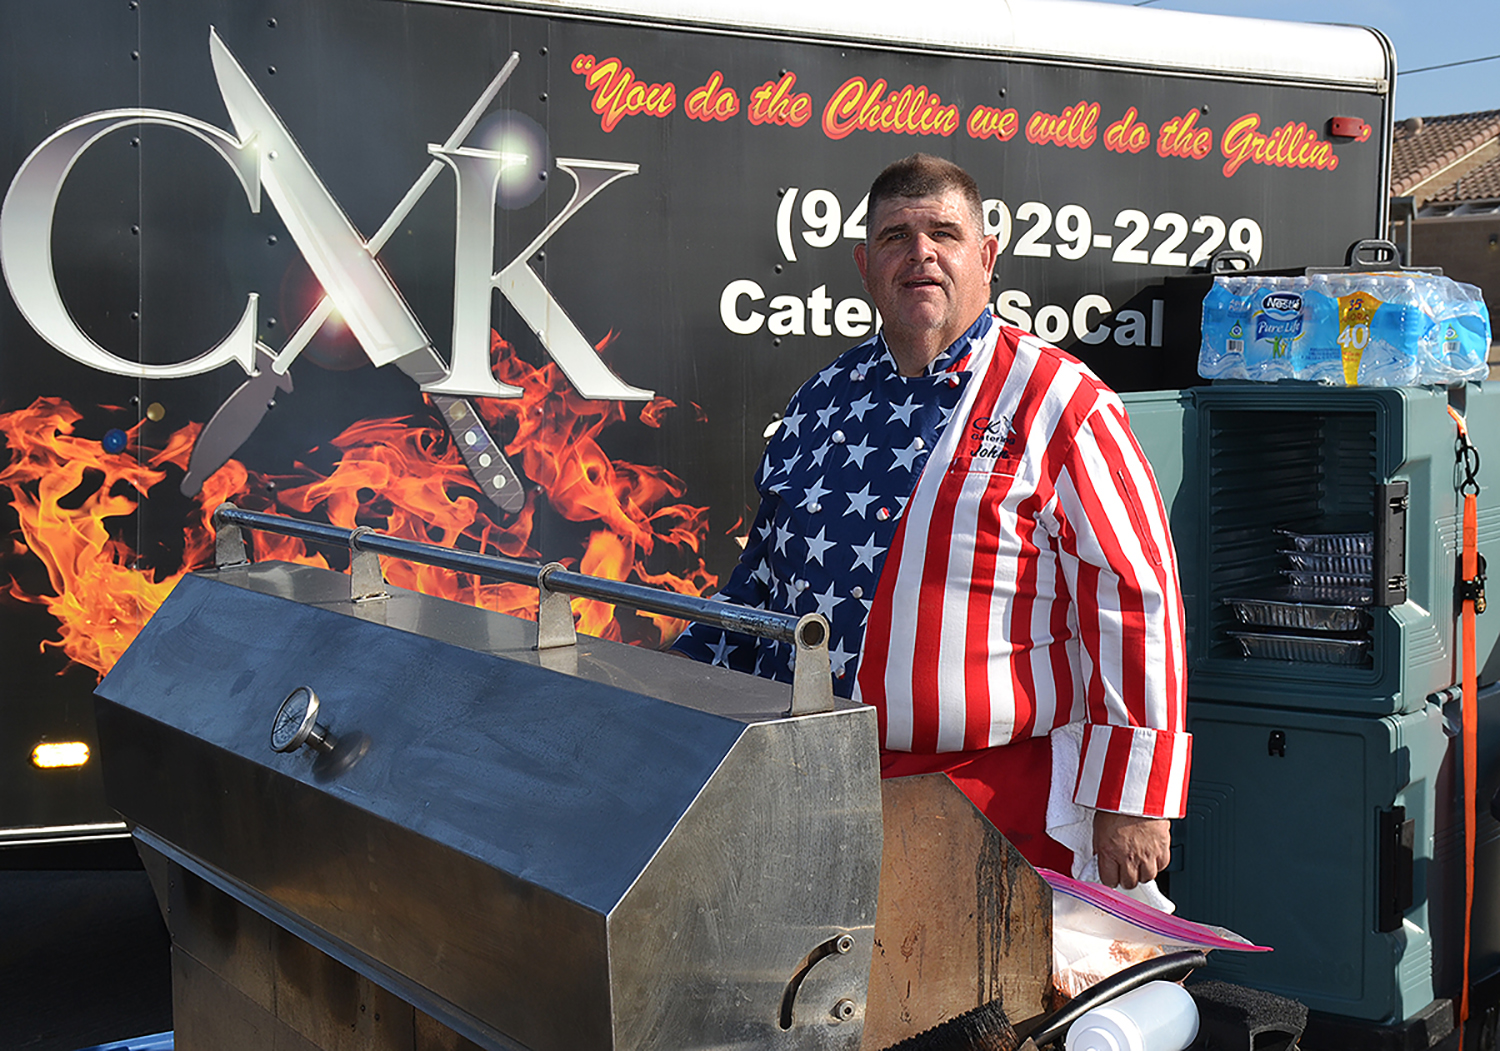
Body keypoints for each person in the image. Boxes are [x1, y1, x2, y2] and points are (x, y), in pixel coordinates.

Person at [674, 154, 1189, 889]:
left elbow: (1135, 596)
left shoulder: (1061, 400)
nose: (920, 253)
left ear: (986, 257)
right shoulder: (821, 399)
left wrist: (1133, 796)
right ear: (865, 266)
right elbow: (762, 581)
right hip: (821, 792)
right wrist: (663, 696)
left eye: (944, 233)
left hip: (1002, 806)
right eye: (895, 236)